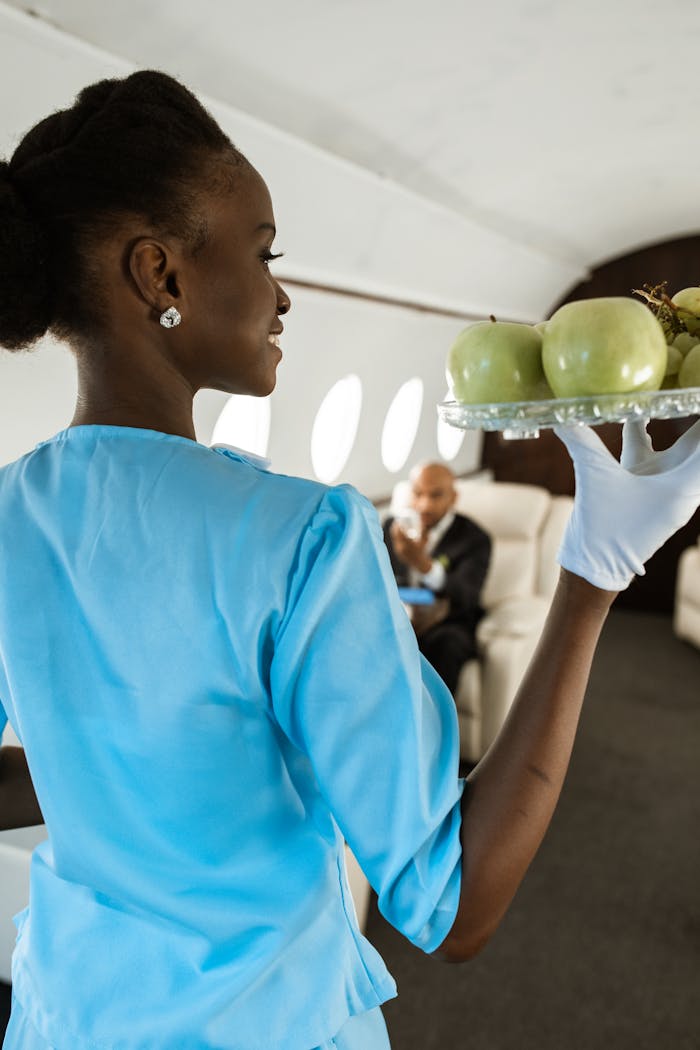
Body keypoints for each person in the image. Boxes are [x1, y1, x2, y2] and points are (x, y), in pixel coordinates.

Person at [0, 70, 698, 1050]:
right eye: (262, 253)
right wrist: (593, 575)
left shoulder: (6, 513)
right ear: (160, 276)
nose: (281, 295)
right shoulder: (297, 537)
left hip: (63, 1019)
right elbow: (452, 908)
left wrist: (117, 785)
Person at [383, 461, 491, 695]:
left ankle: (433, 727)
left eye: (435, 495)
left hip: (448, 623)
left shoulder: (475, 538)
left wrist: (424, 565)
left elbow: (467, 596)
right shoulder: (393, 527)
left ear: (453, 497)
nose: (424, 505)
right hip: (400, 618)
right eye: (418, 494)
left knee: (447, 644)